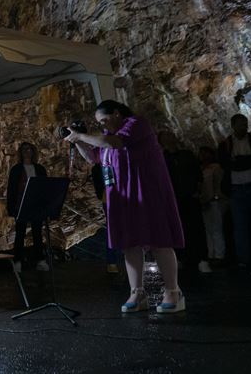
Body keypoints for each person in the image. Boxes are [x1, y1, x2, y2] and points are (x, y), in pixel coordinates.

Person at [65, 100, 186, 313]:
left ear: (117, 113)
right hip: (122, 196)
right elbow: (94, 157)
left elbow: (115, 143)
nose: (103, 125)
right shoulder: (107, 138)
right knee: (129, 243)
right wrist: (77, 141)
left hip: (146, 191)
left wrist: (82, 136)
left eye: (104, 120)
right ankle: (137, 292)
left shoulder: (137, 124)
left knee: (159, 240)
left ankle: (173, 292)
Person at [217, 113, 251, 273]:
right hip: (236, 188)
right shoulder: (225, 145)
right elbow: (226, 164)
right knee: (240, 226)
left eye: (245, 124)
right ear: (233, 125)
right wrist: (246, 161)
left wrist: (239, 161)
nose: (243, 127)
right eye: (240, 124)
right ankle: (243, 259)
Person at [158, 131, 212, 274]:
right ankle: (180, 258)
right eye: (166, 137)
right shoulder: (161, 159)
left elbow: (197, 174)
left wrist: (198, 190)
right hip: (172, 200)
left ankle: (202, 259)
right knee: (177, 230)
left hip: (190, 197)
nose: (169, 139)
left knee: (196, 228)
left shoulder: (187, 155)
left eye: (170, 136)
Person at [6, 142, 50, 273]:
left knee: (37, 233)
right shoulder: (16, 170)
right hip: (21, 204)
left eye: (29, 149)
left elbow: (44, 188)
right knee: (20, 234)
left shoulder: (40, 169)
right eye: (24, 149)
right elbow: (11, 189)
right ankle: (17, 261)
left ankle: (40, 260)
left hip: (36, 205)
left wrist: (45, 206)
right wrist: (11, 207)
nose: (27, 151)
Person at [199, 146, 226, 263]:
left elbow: (219, 184)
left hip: (215, 201)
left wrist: (215, 197)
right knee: (208, 230)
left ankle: (219, 255)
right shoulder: (200, 169)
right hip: (204, 201)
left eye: (206, 153)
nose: (203, 156)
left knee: (216, 228)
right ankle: (211, 254)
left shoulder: (216, 168)